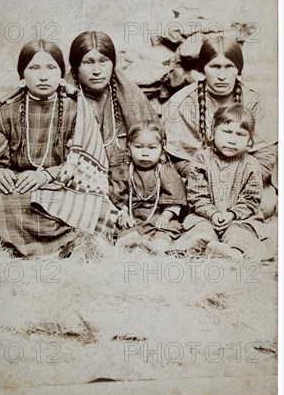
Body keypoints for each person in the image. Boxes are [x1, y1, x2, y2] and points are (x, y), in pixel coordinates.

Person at [0, 40, 114, 257]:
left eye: (51, 68)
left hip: (64, 190)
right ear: (22, 74)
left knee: (100, 209)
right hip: (21, 191)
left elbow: (87, 165)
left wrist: (47, 176)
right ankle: (62, 247)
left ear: (62, 74)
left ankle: (46, 247)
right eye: (34, 68)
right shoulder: (6, 112)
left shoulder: (78, 111)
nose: (43, 76)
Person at [162, 32, 277, 218]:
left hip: (245, 180)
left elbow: (266, 155)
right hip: (200, 184)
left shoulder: (255, 100)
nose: (222, 75)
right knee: (181, 201)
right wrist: (210, 184)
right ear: (202, 69)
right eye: (215, 66)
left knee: (266, 203)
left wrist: (240, 181)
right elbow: (178, 159)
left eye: (229, 66)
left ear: (238, 69)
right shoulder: (183, 102)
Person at [171, 104, 274, 260]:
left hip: (240, 219)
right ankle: (195, 247)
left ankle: (233, 252)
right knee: (201, 230)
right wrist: (213, 214)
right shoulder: (201, 159)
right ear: (212, 134)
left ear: (249, 142)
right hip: (204, 216)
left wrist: (232, 214)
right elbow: (197, 195)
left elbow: (251, 199)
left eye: (240, 134)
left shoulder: (251, 164)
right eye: (226, 132)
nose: (232, 140)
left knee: (239, 234)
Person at [67, 31, 157, 169]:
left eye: (103, 61)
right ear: (76, 67)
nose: (97, 70)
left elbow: (154, 146)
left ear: (113, 64)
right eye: (88, 62)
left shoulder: (130, 95)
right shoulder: (63, 99)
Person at [109, 120, 187, 254]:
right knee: (124, 230)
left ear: (162, 148)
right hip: (134, 217)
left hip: (158, 215)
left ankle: (157, 246)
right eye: (138, 147)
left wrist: (166, 216)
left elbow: (175, 197)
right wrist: (124, 215)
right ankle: (133, 246)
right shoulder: (124, 170)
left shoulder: (165, 170)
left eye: (152, 148)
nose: (145, 153)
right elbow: (118, 197)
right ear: (129, 147)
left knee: (167, 229)